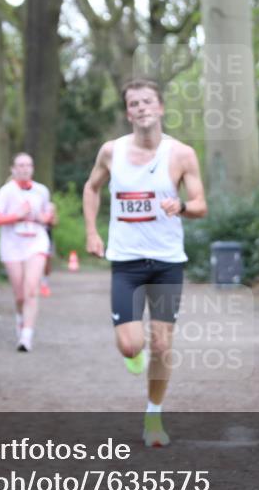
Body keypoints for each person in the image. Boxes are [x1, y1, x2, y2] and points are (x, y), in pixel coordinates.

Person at [83, 78, 207, 447]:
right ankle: (132, 351)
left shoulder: (182, 154)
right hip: (126, 261)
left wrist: (182, 206)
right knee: (130, 346)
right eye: (134, 103)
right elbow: (91, 188)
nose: (141, 108)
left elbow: (201, 204)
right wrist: (91, 232)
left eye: (147, 101)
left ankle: (153, 416)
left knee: (163, 345)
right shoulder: (111, 152)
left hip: (168, 262)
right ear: (128, 113)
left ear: (161, 107)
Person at [0, 153, 56, 352]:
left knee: (31, 289)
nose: (24, 169)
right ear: (13, 169)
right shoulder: (6, 192)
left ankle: (27, 336)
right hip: (12, 245)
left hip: (36, 242)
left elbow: (48, 217)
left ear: (32, 168)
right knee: (19, 295)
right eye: (20, 165)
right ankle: (20, 318)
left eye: (28, 165)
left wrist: (45, 217)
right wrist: (16, 216)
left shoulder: (41, 191)